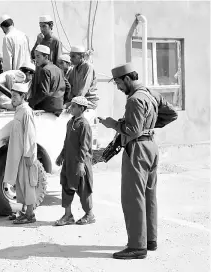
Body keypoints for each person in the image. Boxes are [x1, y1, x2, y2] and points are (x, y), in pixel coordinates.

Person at [98, 63, 178, 260]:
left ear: (126, 79)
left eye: (117, 83)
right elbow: (172, 113)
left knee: (133, 198)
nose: (117, 87)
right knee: (149, 196)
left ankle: (137, 246)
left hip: (138, 149)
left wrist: (113, 124)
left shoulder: (134, 100)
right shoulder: (150, 94)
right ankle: (150, 240)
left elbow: (132, 131)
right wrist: (149, 127)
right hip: (151, 147)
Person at [54, 96, 96, 226]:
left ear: (81, 108)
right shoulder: (70, 122)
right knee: (66, 186)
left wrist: (81, 163)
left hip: (80, 163)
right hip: (69, 162)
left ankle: (89, 215)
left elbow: (85, 145)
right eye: (71, 105)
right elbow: (67, 141)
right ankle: (68, 215)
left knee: (84, 189)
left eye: (73, 106)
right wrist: (61, 155)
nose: (70, 108)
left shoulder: (84, 124)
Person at [3, 83, 38, 224]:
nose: (12, 99)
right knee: (20, 185)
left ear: (23, 96)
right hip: (18, 155)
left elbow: (30, 135)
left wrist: (29, 155)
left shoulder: (26, 111)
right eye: (11, 96)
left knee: (27, 184)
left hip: (25, 155)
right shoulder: (18, 110)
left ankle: (30, 214)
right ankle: (23, 212)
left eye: (15, 96)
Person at [28, 45, 67, 116]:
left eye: (38, 56)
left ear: (46, 57)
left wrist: (30, 103)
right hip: (59, 106)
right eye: (35, 56)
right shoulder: (58, 69)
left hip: (49, 106)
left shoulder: (45, 70)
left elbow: (44, 92)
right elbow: (68, 86)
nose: (36, 59)